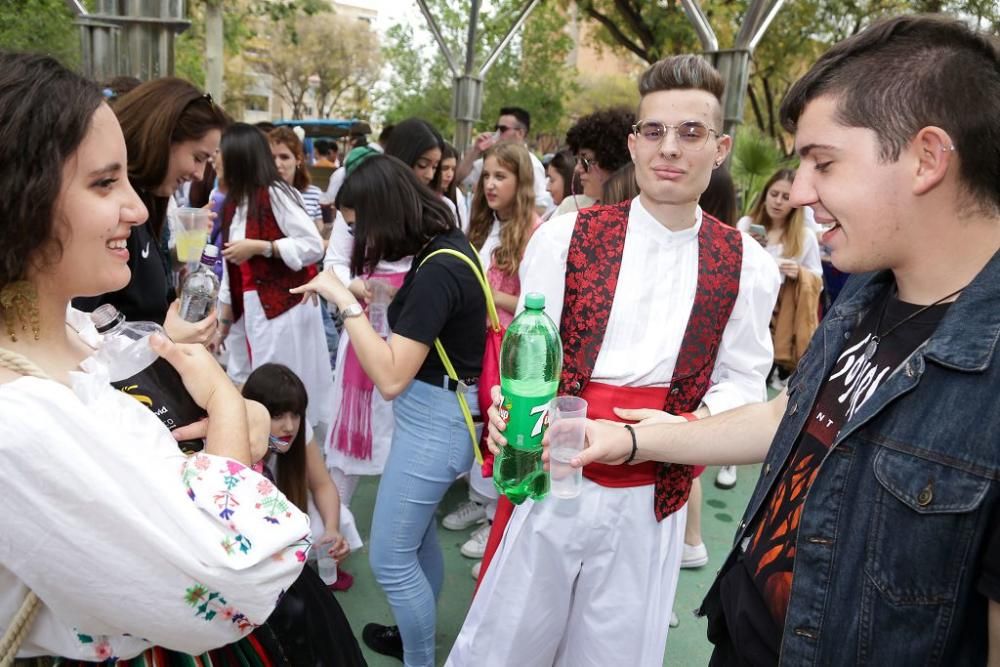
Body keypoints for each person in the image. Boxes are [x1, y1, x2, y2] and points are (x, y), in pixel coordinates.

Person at [568, 14, 1000, 665]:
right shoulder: (869, 294)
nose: (797, 192)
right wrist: (633, 438)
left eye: (822, 163)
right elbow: (788, 416)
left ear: (927, 158)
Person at [450, 54, 780, 666]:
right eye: (654, 131)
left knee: (615, 654)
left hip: (652, 494)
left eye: (691, 133)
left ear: (721, 148)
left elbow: (743, 380)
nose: (670, 149)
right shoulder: (567, 235)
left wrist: (679, 429)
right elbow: (532, 349)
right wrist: (506, 410)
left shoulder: (746, 262)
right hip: (552, 478)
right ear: (633, 143)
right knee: (507, 646)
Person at [0, 51, 308, 663]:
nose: (137, 210)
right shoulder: (21, 419)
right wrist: (225, 403)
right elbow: (231, 574)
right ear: (21, 197)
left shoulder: (80, 329)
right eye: (103, 183)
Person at [292, 154, 486, 667]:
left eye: (361, 228)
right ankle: (412, 637)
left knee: (390, 558)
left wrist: (345, 301)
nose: (360, 241)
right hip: (437, 418)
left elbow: (392, 376)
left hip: (435, 424)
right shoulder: (444, 248)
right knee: (415, 540)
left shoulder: (437, 268)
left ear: (386, 214)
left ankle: (419, 656)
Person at [323, 120, 451, 510]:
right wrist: (360, 288)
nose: (428, 175)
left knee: (406, 448)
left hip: (413, 348)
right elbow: (335, 264)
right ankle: (332, 536)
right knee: (347, 453)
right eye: (421, 164)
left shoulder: (436, 217)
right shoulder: (363, 203)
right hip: (364, 337)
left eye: (435, 166)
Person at [445, 141, 543, 578]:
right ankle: (481, 502)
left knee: (498, 424)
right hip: (475, 342)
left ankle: (492, 520)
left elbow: (534, 302)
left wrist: (485, 292)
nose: (489, 184)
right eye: (486, 176)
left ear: (521, 183)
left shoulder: (535, 232)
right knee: (478, 423)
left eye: (500, 176)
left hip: (506, 348)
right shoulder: (484, 227)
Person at [73, 77, 228, 345]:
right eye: (198, 158)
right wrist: (163, 340)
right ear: (162, 137)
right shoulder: (107, 216)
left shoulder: (151, 203)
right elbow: (77, 329)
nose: (200, 174)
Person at [215, 123, 333, 433]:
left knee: (280, 391)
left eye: (219, 152)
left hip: (283, 310)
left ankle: (287, 461)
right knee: (250, 384)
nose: (215, 159)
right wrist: (223, 324)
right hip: (251, 309)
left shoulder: (275, 195)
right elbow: (232, 271)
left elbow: (311, 246)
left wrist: (263, 247)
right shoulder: (233, 204)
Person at [241, 364, 363, 589]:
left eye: (296, 414)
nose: (289, 426)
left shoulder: (293, 431)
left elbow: (322, 485)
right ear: (254, 412)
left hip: (282, 511)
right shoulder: (234, 440)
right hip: (246, 526)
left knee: (340, 517)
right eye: (277, 415)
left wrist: (332, 531)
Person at [738, 168, 824, 392]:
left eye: (786, 197)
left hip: (781, 317)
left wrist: (799, 272)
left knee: (763, 379)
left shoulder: (804, 237)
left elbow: (817, 280)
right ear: (765, 194)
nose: (778, 202)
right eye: (774, 194)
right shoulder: (746, 225)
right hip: (746, 311)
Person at [455, 106, 553, 213]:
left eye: (502, 129)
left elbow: (541, 205)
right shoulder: (491, 159)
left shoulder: (532, 165)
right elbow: (458, 178)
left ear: (520, 133)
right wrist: (476, 150)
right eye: (487, 176)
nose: (497, 134)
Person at [269, 126, 325, 230]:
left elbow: (320, 238)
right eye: (272, 158)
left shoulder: (314, 194)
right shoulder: (260, 195)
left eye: (284, 157)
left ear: (298, 159)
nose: (277, 164)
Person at [440, 142, 470, 232]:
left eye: (453, 169)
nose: (450, 174)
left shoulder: (456, 194)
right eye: (444, 168)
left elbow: (463, 229)